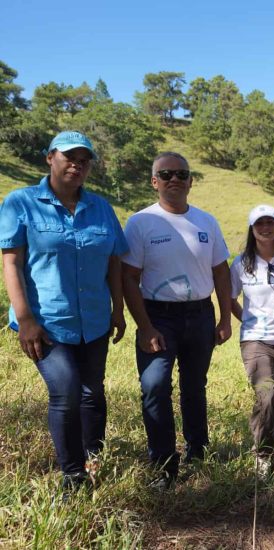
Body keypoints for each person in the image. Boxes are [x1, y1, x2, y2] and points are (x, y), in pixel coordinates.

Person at [0, 131, 128, 494]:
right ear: (49, 158)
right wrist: (25, 319)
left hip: (95, 320)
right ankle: (73, 475)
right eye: (69, 156)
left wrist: (118, 311)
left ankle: (95, 455)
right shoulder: (21, 202)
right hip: (47, 323)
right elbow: (12, 262)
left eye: (84, 159)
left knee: (93, 392)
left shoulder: (101, 207)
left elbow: (114, 262)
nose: (77, 164)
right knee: (67, 390)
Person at [121, 152, 232, 489]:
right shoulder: (141, 222)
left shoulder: (207, 222)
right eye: (165, 174)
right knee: (154, 386)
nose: (174, 179)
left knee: (194, 387)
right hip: (158, 316)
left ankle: (198, 452)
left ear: (190, 181)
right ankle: (164, 464)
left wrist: (225, 317)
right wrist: (145, 326)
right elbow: (128, 278)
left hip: (200, 314)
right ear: (154, 181)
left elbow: (220, 271)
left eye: (181, 174)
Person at [230, 204, 274, 476]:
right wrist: (247, 321)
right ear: (252, 229)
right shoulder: (241, 263)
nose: (265, 228)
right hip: (255, 340)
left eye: (270, 222)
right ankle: (263, 453)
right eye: (259, 224)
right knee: (267, 394)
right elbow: (229, 298)